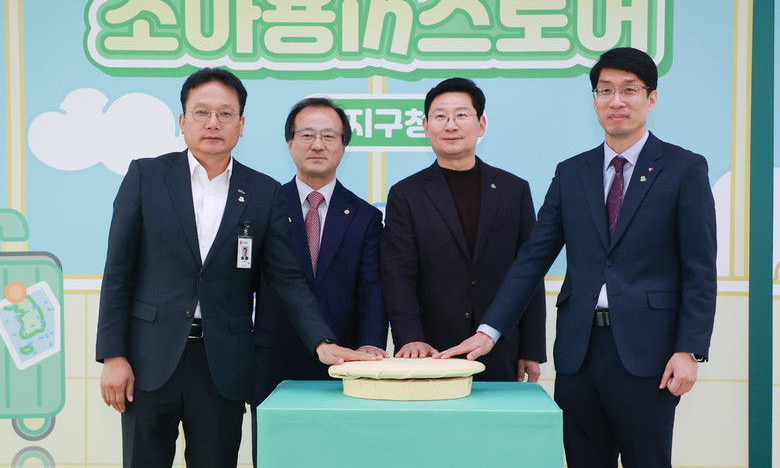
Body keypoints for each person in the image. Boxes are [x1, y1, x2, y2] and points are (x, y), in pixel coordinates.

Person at [438, 48, 717, 468]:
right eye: (605, 90)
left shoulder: (683, 168)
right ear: (595, 100)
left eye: (629, 90)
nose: (616, 101)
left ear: (651, 98)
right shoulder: (572, 172)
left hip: (650, 355)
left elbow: (700, 268)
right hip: (579, 353)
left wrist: (689, 349)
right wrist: (489, 331)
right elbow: (533, 258)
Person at [95, 68, 376, 468]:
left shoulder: (262, 192)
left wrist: (322, 342)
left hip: (222, 365)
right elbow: (118, 273)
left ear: (241, 125)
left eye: (225, 114)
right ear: (183, 121)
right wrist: (113, 355)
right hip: (148, 360)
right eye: (202, 112)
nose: (213, 123)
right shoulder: (146, 176)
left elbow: (285, 278)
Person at [251, 96, 388, 464]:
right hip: (273, 362)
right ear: (290, 143)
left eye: (329, 136)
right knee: (275, 457)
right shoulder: (263, 207)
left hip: (344, 363)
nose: (317, 144)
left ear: (343, 146)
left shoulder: (364, 216)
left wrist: (371, 345)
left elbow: (372, 288)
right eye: (307, 134)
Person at [381, 77, 546, 382]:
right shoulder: (406, 194)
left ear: (481, 124)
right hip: (430, 350)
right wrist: (410, 338)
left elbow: (530, 272)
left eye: (461, 115)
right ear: (426, 126)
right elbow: (398, 274)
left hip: (499, 345)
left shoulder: (514, 190)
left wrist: (532, 347)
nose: (451, 125)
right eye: (440, 116)